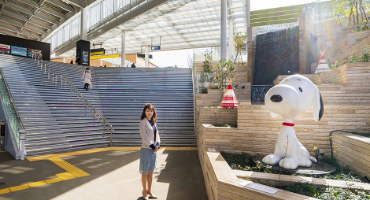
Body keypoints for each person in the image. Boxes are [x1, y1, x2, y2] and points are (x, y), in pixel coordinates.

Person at [139, 103, 160, 200]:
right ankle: (144, 192)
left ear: (153, 112)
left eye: (151, 111)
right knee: (145, 171)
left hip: (153, 150)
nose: (149, 113)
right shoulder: (143, 122)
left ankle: (150, 190)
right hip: (146, 150)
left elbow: (157, 135)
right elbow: (144, 136)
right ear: (144, 112)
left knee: (151, 171)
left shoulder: (153, 122)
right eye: (148, 111)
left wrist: (158, 144)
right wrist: (152, 145)